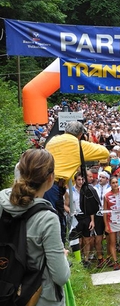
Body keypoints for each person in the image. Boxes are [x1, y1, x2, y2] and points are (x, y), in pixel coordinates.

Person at [0, 149, 70, 305]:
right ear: (50, 178)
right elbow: (60, 276)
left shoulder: (1, 201)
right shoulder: (47, 218)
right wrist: (63, 257)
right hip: (37, 298)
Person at [45, 121, 109, 244]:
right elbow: (104, 152)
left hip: (46, 184)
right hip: (54, 185)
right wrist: (86, 141)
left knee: (52, 221)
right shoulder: (78, 145)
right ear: (80, 135)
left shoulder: (52, 141)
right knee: (56, 224)